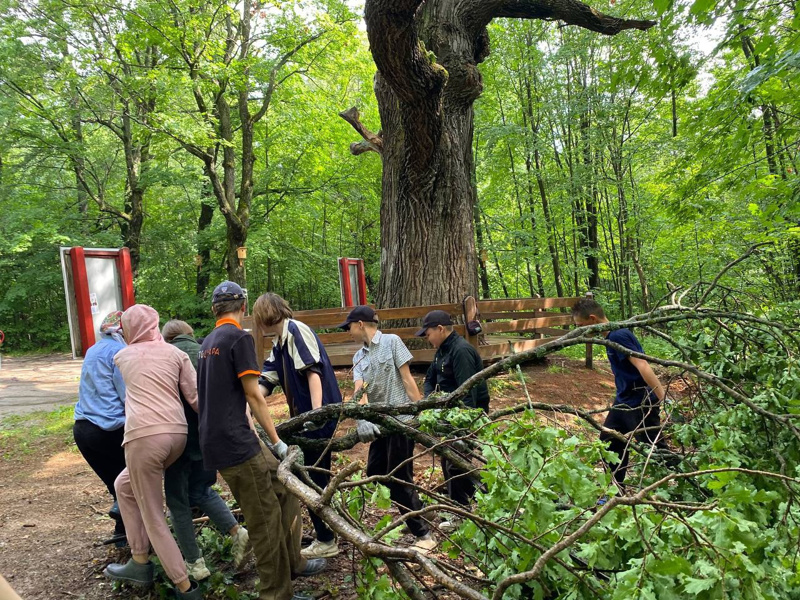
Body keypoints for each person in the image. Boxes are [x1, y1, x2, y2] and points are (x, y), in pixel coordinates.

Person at [197, 282, 325, 600]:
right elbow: (254, 394)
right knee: (264, 521)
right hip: (237, 445)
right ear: (242, 308)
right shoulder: (238, 337)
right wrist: (277, 440)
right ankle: (275, 593)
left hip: (224, 439)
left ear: (215, 309)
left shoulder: (207, 342)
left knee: (286, 485)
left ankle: (293, 561)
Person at [103, 304, 201, 599]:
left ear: (130, 329)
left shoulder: (122, 356)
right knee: (124, 484)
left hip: (143, 438)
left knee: (154, 514)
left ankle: (184, 585)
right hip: (178, 436)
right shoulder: (177, 353)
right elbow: (196, 399)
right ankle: (139, 558)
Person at [339, 306, 436, 553]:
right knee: (376, 471)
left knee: (397, 478)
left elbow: (407, 378)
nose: (348, 332)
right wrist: (363, 419)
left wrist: (420, 412)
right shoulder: (358, 357)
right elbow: (360, 391)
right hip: (380, 425)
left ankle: (424, 534)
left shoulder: (392, 342)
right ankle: (417, 509)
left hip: (402, 420)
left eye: (349, 326)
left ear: (360, 324)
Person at [255, 293, 343, 560]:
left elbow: (313, 372)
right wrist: (248, 404)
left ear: (266, 315)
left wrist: (316, 413)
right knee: (315, 474)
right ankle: (331, 530)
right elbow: (265, 383)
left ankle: (327, 539)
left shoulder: (296, 330)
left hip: (318, 416)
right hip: (306, 419)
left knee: (310, 476)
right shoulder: (280, 342)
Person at [161, 320, 249, 581]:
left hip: (178, 439)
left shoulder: (168, 356)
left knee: (178, 502)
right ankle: (236, 532)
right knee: (201, 489)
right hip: (208, 436)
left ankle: (194, 563)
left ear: (168, 339)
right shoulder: (205, 352)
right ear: (190, 334)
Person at [571, 297, 671, 487]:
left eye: (581, 326)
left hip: (640, 401)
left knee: (654, 449)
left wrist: (662, 398)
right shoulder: (610, 336)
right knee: (609, 440)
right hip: (624, 400)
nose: (579, 330)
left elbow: (642, 364)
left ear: (593, 319)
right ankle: (616, 489)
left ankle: (686, 483)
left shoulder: (618, 335)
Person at [418, 310, 490, 532]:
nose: (427, 339)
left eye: (428, 334)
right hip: (446, 415)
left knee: (456, 462)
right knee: (447, 461)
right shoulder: (441, 351)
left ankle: (461, 513)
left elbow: (468, 392)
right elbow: (430, 378)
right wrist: (431, 400)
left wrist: (463, 428)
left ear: (440, 329)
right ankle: (471, 500)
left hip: (464, 416)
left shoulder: (461, 351)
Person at [73, 310, 127, 544]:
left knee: (116, 482)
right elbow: (127, 395)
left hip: (83, 429)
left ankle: (123, 532)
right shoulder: (120, 353)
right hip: (110, 429)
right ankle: (135, 535)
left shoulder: (92, 350)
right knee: (134, 479)